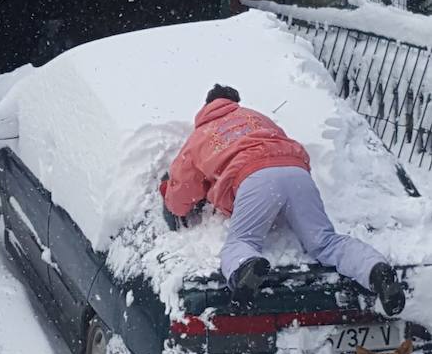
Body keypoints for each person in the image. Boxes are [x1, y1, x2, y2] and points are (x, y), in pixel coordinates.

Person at [160, 84, 405, 316]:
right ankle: (375, 270)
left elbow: (181, 196)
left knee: (242, 241)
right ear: (234, 102)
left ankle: (246, 268)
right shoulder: (257, 117)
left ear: (206, 107)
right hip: (296, 173)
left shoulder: (201, 134)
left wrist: (166, 191)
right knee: (326, 243)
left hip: (254, 179)